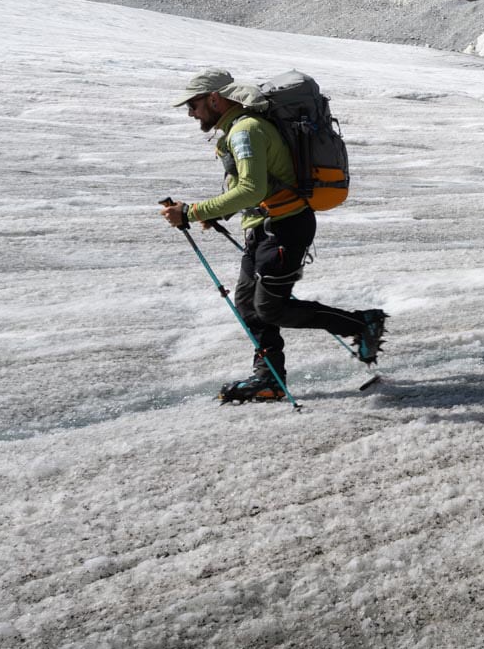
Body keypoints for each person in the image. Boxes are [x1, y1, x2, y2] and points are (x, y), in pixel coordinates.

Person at [162, 69, 386, 403]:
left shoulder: (245, 131)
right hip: (266, 229)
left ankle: (360, 324)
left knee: (269, 308)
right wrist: (216, 212)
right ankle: (267, 379)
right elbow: (250, 187)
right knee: (248, 306)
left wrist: (194, 212)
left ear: (214, 98)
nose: (191, 112)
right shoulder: (238, 130)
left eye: (193, 104)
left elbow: (252, 189)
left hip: (284, 228)